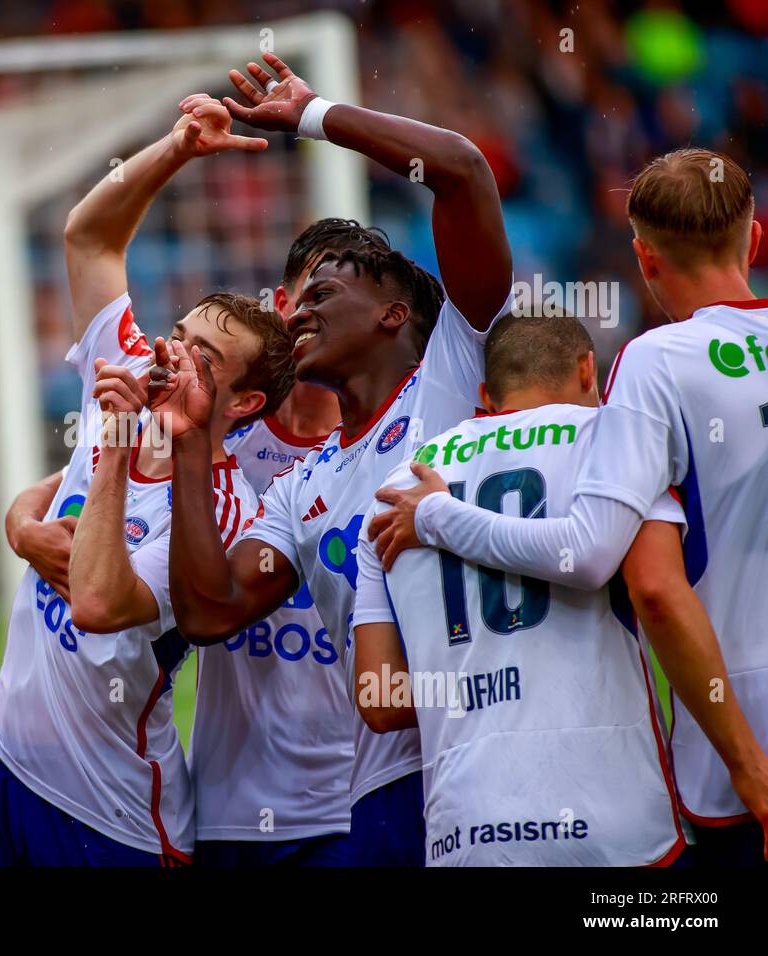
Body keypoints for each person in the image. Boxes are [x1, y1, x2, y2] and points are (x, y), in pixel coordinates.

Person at [159, 53, 513, 865]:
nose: (302, 310)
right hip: (384, 788)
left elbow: (460, 170)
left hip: (495, 749)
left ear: (395, 314)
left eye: (326, 293)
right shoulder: (301, 487)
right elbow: (211, 611)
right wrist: (184, 443)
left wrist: (315, 115)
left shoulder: (447, 382)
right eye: (299, 296)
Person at [368, 148, 768, 866]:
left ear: (644, 260)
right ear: (757, 237)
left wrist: (437, 515)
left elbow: (623, 572)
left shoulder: (655, 362)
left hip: (732, 743)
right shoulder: (607, 410)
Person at [0, 97, 293, 866]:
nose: (171, 356)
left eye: (203, 360)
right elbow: (88, 236)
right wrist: (177, 149)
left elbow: (97, 603)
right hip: (7, 762)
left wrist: (112, 444)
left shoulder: (221, 511)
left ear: (243, 404)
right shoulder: (125, 367)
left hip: (110, 812)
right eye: (178, 335)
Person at [354, 311, 693, 865]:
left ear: (486, 394)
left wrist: (483, 686)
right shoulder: (610, 442)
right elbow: (651, 589)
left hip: (468, 829)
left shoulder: (398, 491)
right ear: (590, 370)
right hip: (618, 821)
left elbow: (381, 700)